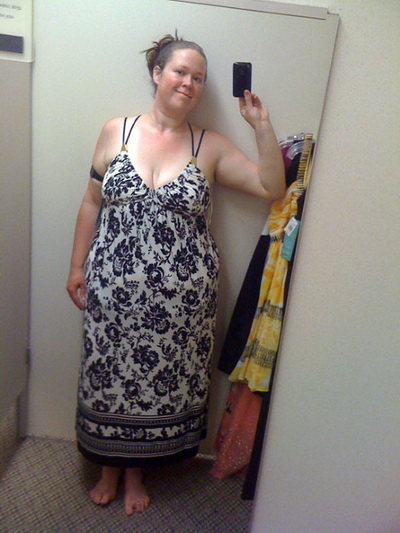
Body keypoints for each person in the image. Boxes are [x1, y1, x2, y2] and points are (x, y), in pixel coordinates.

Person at [66, 33, 285, 516]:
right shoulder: (116, 131)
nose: (189, 82)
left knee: (158, 386)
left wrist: (261, 125)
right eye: (180, 71)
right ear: (157, 74)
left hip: (181, 304)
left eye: (199, 77)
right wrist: (76, 265)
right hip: (112, 291)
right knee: (107, 376)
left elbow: (271, 186)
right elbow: (90, 202)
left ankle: (136, 473)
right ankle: (108, 467)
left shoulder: (209, 145)